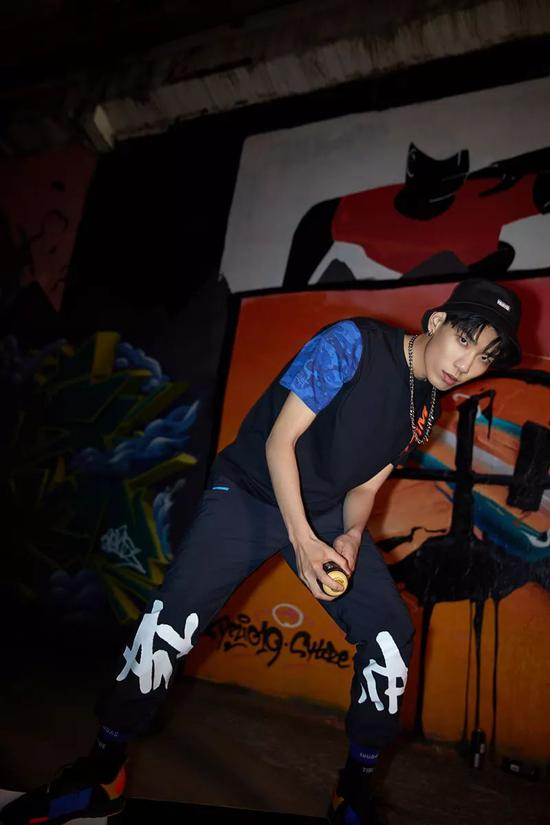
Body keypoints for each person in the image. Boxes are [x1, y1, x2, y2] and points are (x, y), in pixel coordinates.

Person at [1, 278, 522, 825]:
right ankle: (102, 770)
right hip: (250, 491)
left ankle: (354, 789)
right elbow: (280, 441)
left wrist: (347, 537)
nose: (466, 365)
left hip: (325, 512)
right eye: (465, 340)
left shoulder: (427, 403)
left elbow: (366, 488)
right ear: (437, 322)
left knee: (390, 635)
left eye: (484, 357)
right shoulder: (352, 344)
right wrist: (304, 541)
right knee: (171, 621)